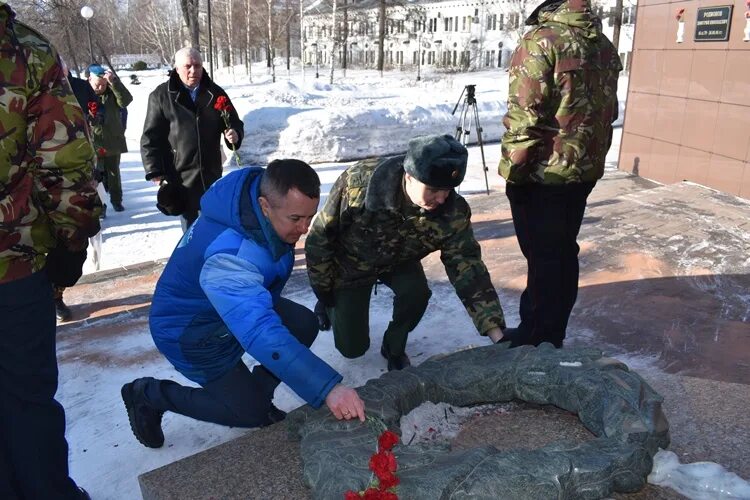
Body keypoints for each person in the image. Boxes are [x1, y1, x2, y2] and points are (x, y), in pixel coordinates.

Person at [121, 160, 365, 449]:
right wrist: (329, 389)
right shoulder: (231, 257)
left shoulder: (254, 206)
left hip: (225, 311)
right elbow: (259, 330)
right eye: (296, 218)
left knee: (303, 325)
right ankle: (148, 395)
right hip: (193, 334)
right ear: (264, 205)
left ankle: (254, 396)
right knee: (250, 412)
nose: (305, 228)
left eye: (310, 217)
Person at [0, 4, 102, 499]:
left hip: (14, 267)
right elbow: (63, 159)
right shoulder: (23, 50)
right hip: (14, 269)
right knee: (28, 403)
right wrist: (72, 238)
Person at [305, 134, 507, 372]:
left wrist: (497, 333)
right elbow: (320, 237)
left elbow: (468, 268)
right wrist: (325, 290)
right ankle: (330, 307)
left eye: (447, 190)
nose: (442, 198)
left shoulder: (453, 211)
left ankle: (394, 346)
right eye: (433, 189)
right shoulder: (359, 186)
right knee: (352, 349)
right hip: (352, 264)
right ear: (409, 176)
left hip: (399, 261)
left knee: (417, 294)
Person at [498, 0, 622, 348]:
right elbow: (609, 111)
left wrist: (513, 174)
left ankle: (537, 339)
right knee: (562, 252)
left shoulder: (543, 40)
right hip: (582, 170)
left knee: (544, 258)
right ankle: (550, 332)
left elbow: (526, 117)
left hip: (544, 175)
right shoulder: (602, 45)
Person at [141, 47, 244, 231]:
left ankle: (210, 258)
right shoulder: (161, 96)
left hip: (210, 172)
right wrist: (155, 170)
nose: (193, 71)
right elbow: (151, 137)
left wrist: (234, 133)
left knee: (212, 224)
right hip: (180, 176)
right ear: (177, 68)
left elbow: (233, 121)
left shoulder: (215, 93)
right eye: (188, 66)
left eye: (197, 66)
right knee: (190, 229)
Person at [87, 63, 132, 212]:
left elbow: (125, 100)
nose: (100, 88)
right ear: (89, 80)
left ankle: (116, 200)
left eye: (103, 85)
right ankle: (100, 206)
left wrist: (114, 83)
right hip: (93, 143)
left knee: (114, 173)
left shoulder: (112, 93)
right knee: (96, 175)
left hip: (112, 140)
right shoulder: (84, 93)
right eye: (97, 85)